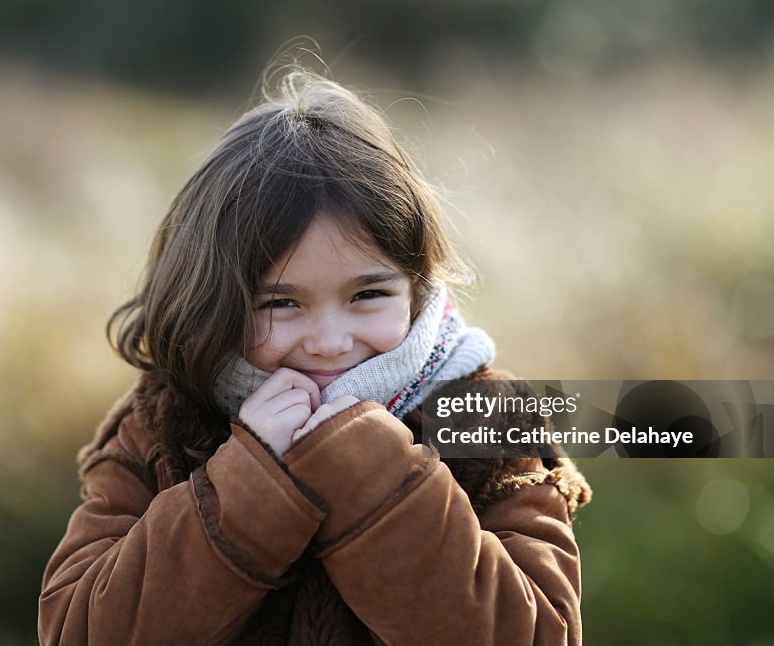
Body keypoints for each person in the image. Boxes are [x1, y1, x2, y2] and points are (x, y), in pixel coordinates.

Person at [38, 70, 592, 645]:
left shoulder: (487, 416)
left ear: (417, 286)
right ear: (216, 302)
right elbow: (77, 633)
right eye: (280, 303)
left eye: (368, 295)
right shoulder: (164, 423)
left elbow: (540, 635)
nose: (329, 341)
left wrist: (373, 472)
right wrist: (249, 484)